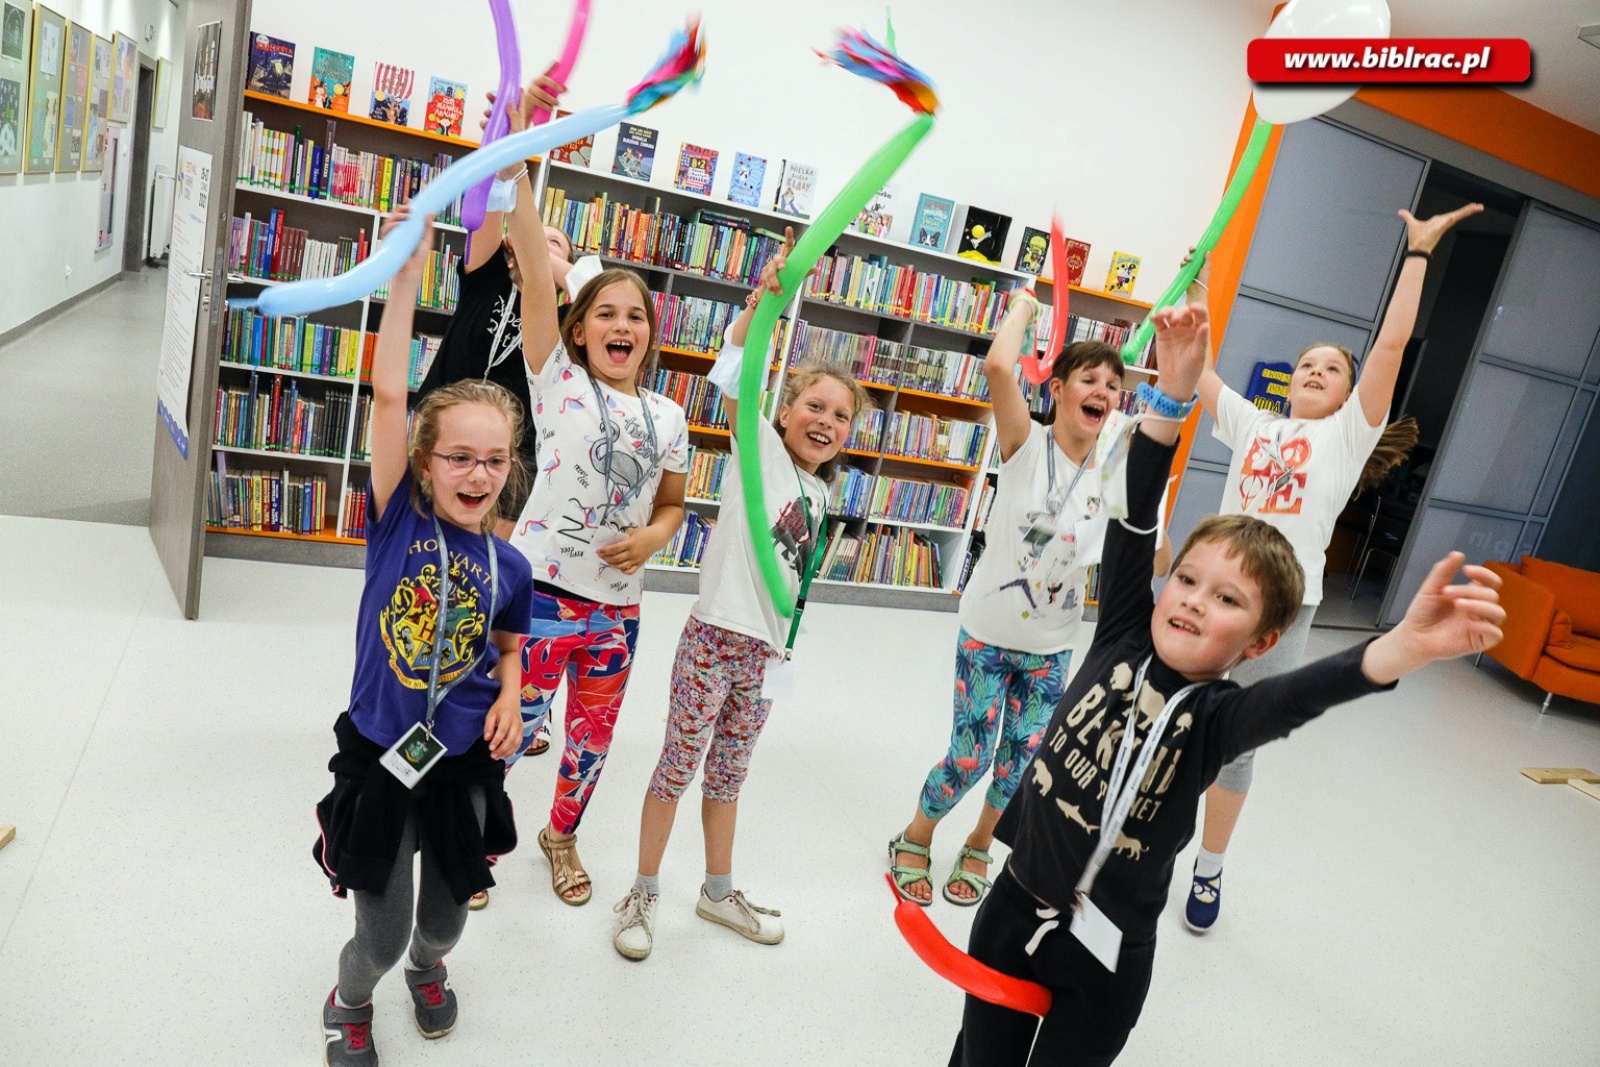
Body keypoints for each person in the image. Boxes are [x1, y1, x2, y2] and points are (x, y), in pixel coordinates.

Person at [946, 302, 1503, 1067]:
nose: (1196, 600)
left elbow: (1304, 694)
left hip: (1104, 962)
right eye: (1189, 580)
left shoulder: (1222, 717)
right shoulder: (1119, 633)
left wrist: (1396, 649)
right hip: (1013, 905)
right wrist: (1171, 403)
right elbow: (1135, 515)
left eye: (1229, 599)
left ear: (1260, 641)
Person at [1182, 202, 1481, 933]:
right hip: (1207, 590)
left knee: (1234, 741)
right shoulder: (1255, 423)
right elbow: (1197, 369)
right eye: (1306, 364)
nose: (1315, 370)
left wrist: (1417, 256)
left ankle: (1209, 866)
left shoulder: (1349, 436)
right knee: (1171, 719)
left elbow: (1390, 348)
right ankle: (1143, 841)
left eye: (1331, 367)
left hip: (1279, 609)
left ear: (1350, 395)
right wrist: (1196, 289)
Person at [313, 207, 535, 1067]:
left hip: (465, 760)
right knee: (379, 927)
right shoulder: (396, 523)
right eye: (458, 457)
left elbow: (510, 643)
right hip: (382, 749)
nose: (477, 473)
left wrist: (514, 695)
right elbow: (394, 394)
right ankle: (353, 994)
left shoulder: (508, 564)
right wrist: (407, 278)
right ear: (425, 460)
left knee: (442, 919)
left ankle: (429, 970)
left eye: (493, 459)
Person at [612, 233, 875, 960]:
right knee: (678, 764)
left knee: (729, 773)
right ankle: (642, 888)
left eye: (841, 415)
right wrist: (763, 305)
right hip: (714, 639)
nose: (825, 421)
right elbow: (735, 379)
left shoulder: (823, 491)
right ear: (785, 412)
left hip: (766, 654)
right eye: (813, 406)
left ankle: (717, 890)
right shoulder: (756, 448)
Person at [890, 295, 1169, 909]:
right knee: (969, 758)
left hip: (1051, 648)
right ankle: (913, 836)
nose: (1103, 391)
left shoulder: (1114, 472)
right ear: (1060, 389)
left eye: (1114, 385)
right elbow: (996, 367)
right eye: (1089, 379)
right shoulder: (1025, 442)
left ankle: (980, 845)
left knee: (1019, 764)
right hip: (988, 635)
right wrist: (1023, 303)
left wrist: (1142, 490)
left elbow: (1159, 559)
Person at [504, 85, 691, 906]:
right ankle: (469, 839)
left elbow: (675, 505)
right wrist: (520, 152)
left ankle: (561, 834)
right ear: (579, 328)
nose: (623, 324)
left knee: (591, 739)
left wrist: (655, 539)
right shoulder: (558, 381)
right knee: (505, 730)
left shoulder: (670, 413)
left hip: (617, 609)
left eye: (637, 316)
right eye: (605, 312)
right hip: (538, 592)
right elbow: (526, 258)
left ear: (650, 334)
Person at [416, 77, 601, 782]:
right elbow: (490, 196)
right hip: (442, 439)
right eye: (530, 235)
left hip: (508, 460)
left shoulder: (555, 329)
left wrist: (558, 268)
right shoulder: (482, 272)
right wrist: (515, 121)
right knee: (429, 556)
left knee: (486, 575)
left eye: (551, 241)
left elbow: (596, 295)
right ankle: (418, 663)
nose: (536, 244)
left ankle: (479, 677)